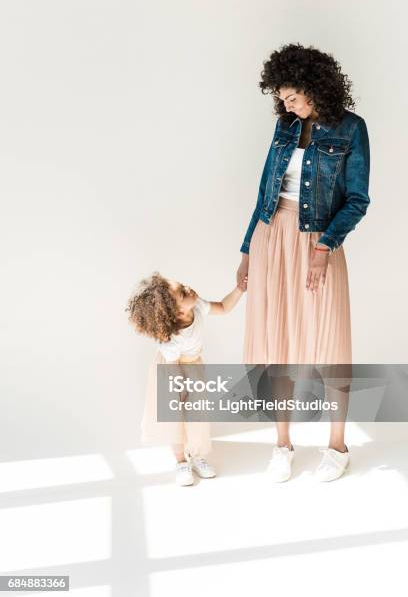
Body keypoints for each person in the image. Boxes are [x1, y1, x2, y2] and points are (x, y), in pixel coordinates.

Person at [236, 43, 370, 482]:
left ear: (315, 87)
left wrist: (323, 248)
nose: (286, 104)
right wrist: (245, 251)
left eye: (292, 96)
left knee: (331, 345)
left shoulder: (351, 129)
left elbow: (357, 200)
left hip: (319, 241)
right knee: (280, 344)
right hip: (271, 238)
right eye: (281, 98)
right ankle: (282, 444)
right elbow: (263, 193)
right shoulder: (284, 127)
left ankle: (337, 446)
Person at [126, 272, 243, 486]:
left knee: (196, 413)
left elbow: (224, 308)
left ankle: (197, 455)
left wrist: (239, 290)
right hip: (172, 371)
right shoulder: (170, 337)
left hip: (193, 366)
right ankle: (181, 461)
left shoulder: (197, 305)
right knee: (175, 417)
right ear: (176, 311)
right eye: (182, 292)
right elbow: (173, 367)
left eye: (183, 286)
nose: (189, 288)